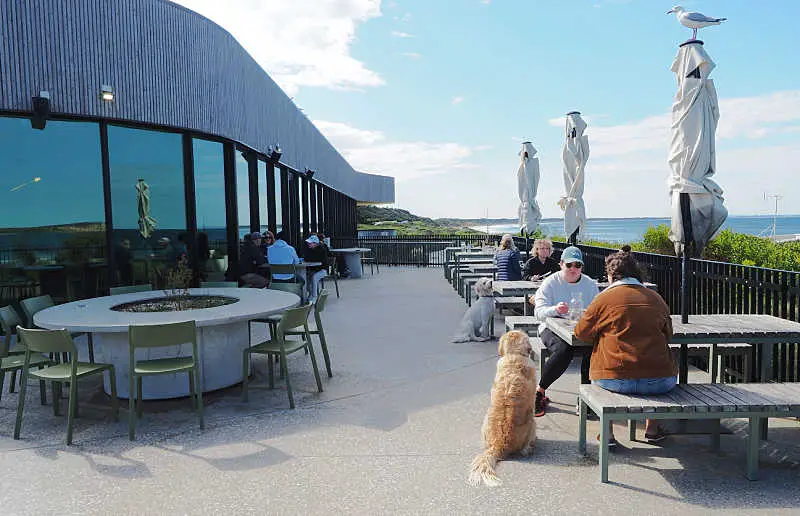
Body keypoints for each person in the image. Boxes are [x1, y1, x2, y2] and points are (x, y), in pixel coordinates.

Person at [574, 245, 677, 444]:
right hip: (660, 381)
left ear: (611, 276)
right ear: (637, 273)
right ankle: (652, 428)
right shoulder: (656, 298)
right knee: (653, 367)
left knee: (603, 359)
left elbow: (581, 333)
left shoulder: (602, 299)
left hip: (614, 379)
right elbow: (668, 335)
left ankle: (608, 433)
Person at [530, 246, 599, 417]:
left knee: (595, 349)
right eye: (569, 265)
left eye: (578, 265)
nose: (573, 269)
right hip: (551, 327)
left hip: (580, 329)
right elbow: (538, 313)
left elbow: (599, 310)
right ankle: (540, 391)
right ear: (561, 264)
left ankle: (586, 396)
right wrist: (555, 309)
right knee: (564, 350)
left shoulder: (590, 284)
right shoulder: (550, 282)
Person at [301, 234, 330, 303]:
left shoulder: (321, 250)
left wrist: (308, 258)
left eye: (310, 243)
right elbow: (307, 258)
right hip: (314, 269)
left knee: (314, 277)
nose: (308, 244)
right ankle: (310, 294)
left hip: (323, 270)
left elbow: (315, 259)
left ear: (315, 243)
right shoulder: (309, 250)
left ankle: (315, 296)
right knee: (306, 278)